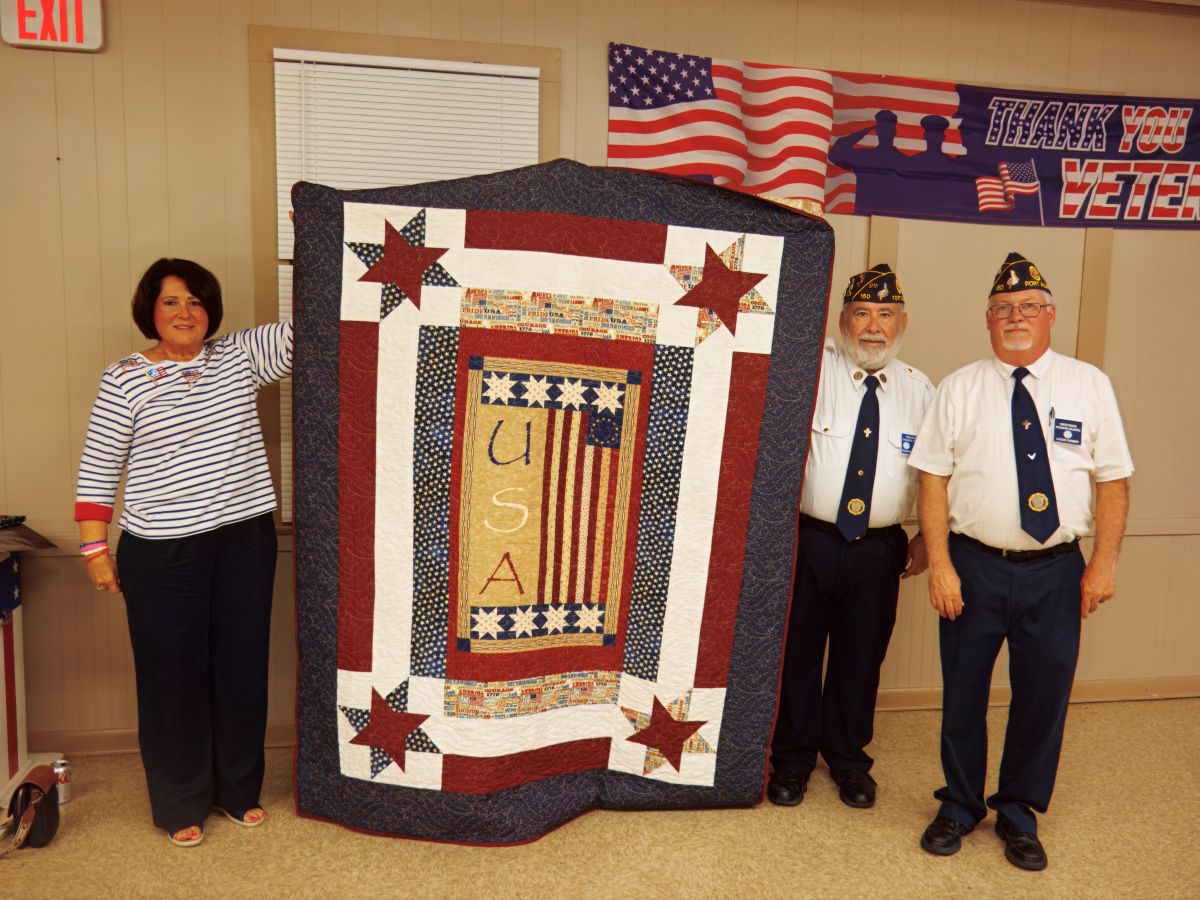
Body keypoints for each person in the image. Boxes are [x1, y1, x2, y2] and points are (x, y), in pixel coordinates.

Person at [910, 252, 1132, 871]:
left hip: (1056, 570)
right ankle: (959, 806)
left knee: (1043, 694)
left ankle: (1018, 812)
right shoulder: (958, 388)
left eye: (1029, 306)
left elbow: (1113, 481)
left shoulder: (1089, 385)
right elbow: (932, 479)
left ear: (1050, 315)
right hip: (973, 565)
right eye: (1004, 308)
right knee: (963, 693)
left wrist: (1104, 564)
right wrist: (941, 564)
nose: (1016, 317)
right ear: (988, 319)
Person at [75, 258, 293, 847]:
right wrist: (94, 548)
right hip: (161, 551)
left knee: (241, 667)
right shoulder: (124, 378)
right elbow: (98, 467)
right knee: (172, 678)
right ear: (150, 310)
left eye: (196, 301)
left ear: (210, 311)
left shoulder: (240, 356)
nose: (185, 312)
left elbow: (317, 324)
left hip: (244, 541)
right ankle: (180, 801)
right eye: (171, 301)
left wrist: (324, 242)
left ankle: (238, 790)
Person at [769, 264, 933, 809]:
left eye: (886, 315)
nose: (874, 327)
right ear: (842, 321)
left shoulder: (921, 391)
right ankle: (791, 760)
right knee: (797, 652)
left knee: (861, 655)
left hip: (879, 547)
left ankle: (847, 759)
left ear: (902, 323)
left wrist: (928, 537)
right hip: (809, 540)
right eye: (862, 313)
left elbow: (937, 472)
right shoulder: (809, 372)